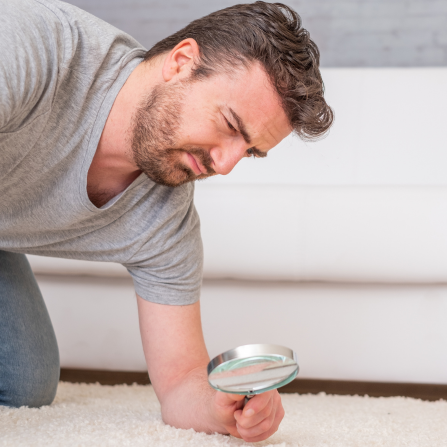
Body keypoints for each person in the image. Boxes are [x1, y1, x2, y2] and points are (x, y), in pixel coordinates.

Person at [0, 0, 333, 442]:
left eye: (250, 151)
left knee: (26, 383)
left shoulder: (166, 218)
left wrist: (222, 408)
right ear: (181, 62)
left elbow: (179, 382)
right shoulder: (35, 44)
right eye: (231, 124)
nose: (226, 164)